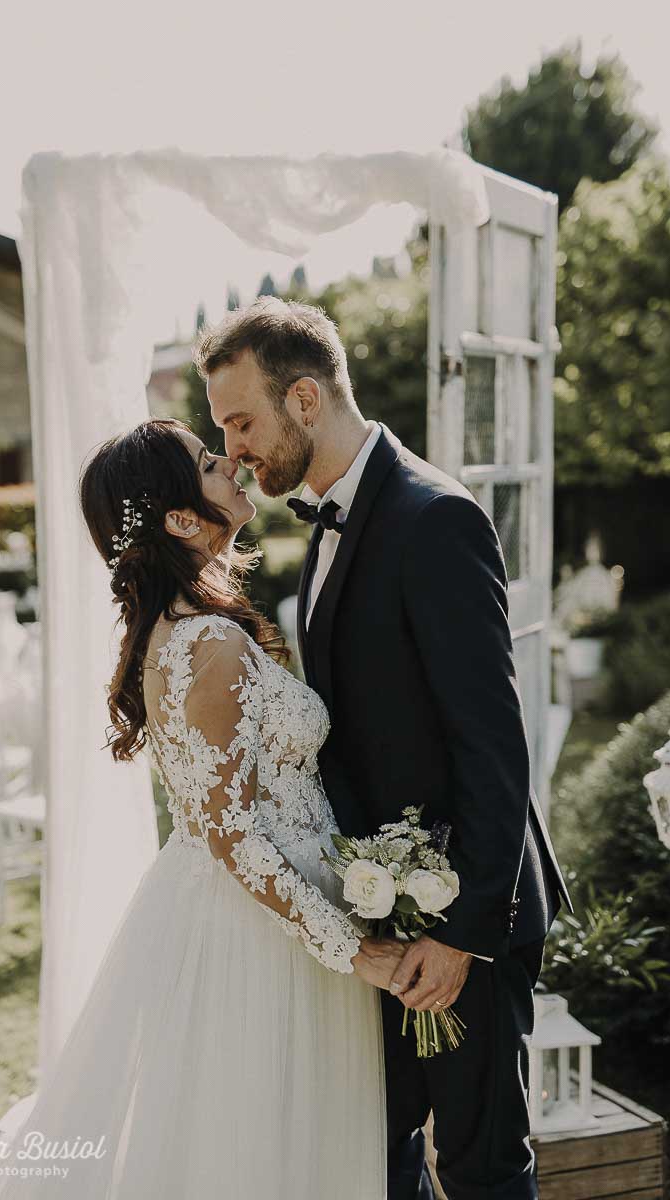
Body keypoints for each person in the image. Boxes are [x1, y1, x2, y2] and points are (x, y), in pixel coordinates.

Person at [194, 296, 574, 1200]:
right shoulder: (325, 522)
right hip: (381, 912)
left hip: (460, 919)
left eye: (241, 422)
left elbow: (490, 744)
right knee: (379, 1153)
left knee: (481, 1167)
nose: (235, 449)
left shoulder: (432, 516)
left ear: (306, 400)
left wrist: (460, 934)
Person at [0, 417, 394, 1198]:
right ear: (178, 517)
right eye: (211, 463)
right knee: (262, 1148)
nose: (233, 462)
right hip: (266, 933)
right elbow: (231, 833)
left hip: (272, 906)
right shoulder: (208, 643)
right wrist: (348, 948)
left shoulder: (184, 627)